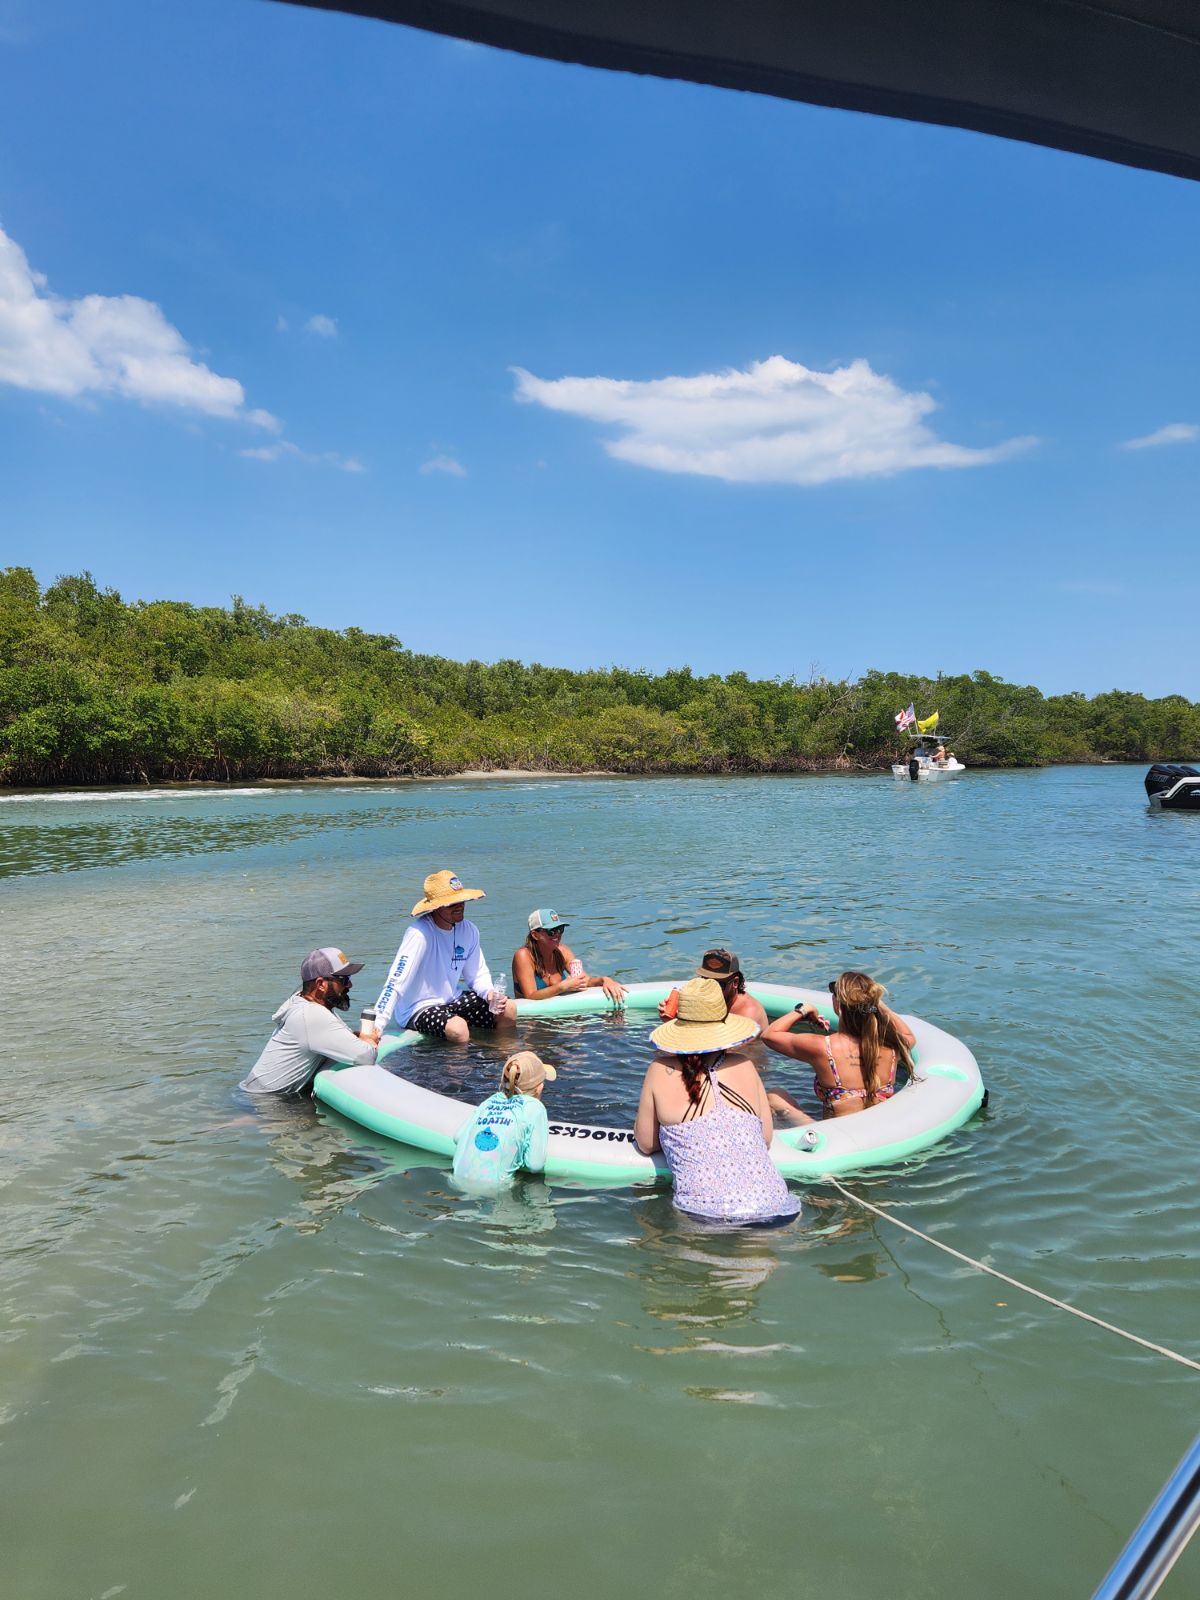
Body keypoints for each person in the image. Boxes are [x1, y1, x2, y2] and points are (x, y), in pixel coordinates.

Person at [635, 978, 800, 1225]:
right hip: (778, 1208)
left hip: (705, 1214)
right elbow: (765, 1137)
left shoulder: (660, 1070)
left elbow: (646, 1143)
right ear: (723, 1023)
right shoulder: (745, 1065)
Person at [375, 869, 518, 1041]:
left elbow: (477, 975)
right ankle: (458, 1067)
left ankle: (500, 1056)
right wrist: (376, 1026)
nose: (459, 906)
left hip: (451, 999)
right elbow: (395, 982)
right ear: (436, 907)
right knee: (458, 1029)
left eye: (461, 901)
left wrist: (489, 993)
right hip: (418, 1008)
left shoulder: (469, 930)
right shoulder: (419, 934)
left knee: (508, 1008)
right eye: (452, 903)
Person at [760, 971, 917, 1122]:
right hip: (878, 1133)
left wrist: (804, 1009)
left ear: (838, 1004)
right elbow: (909, 1036)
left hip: (836, 1137)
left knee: (775, 1096)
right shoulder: (891, 1046)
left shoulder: (823, 1047)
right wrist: (879, 1007)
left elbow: (769, 1034)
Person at [240, 947, 380, 1096]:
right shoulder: (312, 1015)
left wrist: (355, 1037)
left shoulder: (303, 1002)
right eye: (344, 980)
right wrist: (369, 1041)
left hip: (256, 1093)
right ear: (320, 984)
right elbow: (366, 1057)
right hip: (265, 1101)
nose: (350, 985)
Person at [452, 1051, 556, 1190]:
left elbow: (458, 1137)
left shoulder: (489, 1101)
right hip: (496, 1190)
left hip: (456, 1180)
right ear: (539, 1087)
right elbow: (534, 1165)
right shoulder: (536, 1108)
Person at [512, 908, 627, 1005]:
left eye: (560, 930)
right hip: (531, 1021)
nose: (557, 934)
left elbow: (584, 980)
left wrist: (604, 980)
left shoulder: (563, 951)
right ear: (535, 935)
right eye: (551, 931)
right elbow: (531, 995)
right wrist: (563, 986)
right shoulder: (523, 956)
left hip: (559, 1013)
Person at [657, 948, 768, 1028]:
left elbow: (724, 1051)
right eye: (705, 981)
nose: (709, 989)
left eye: (718, 984)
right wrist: (675, 1019)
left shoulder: (748, 1014)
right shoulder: (707, 1000)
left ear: (735, 982)